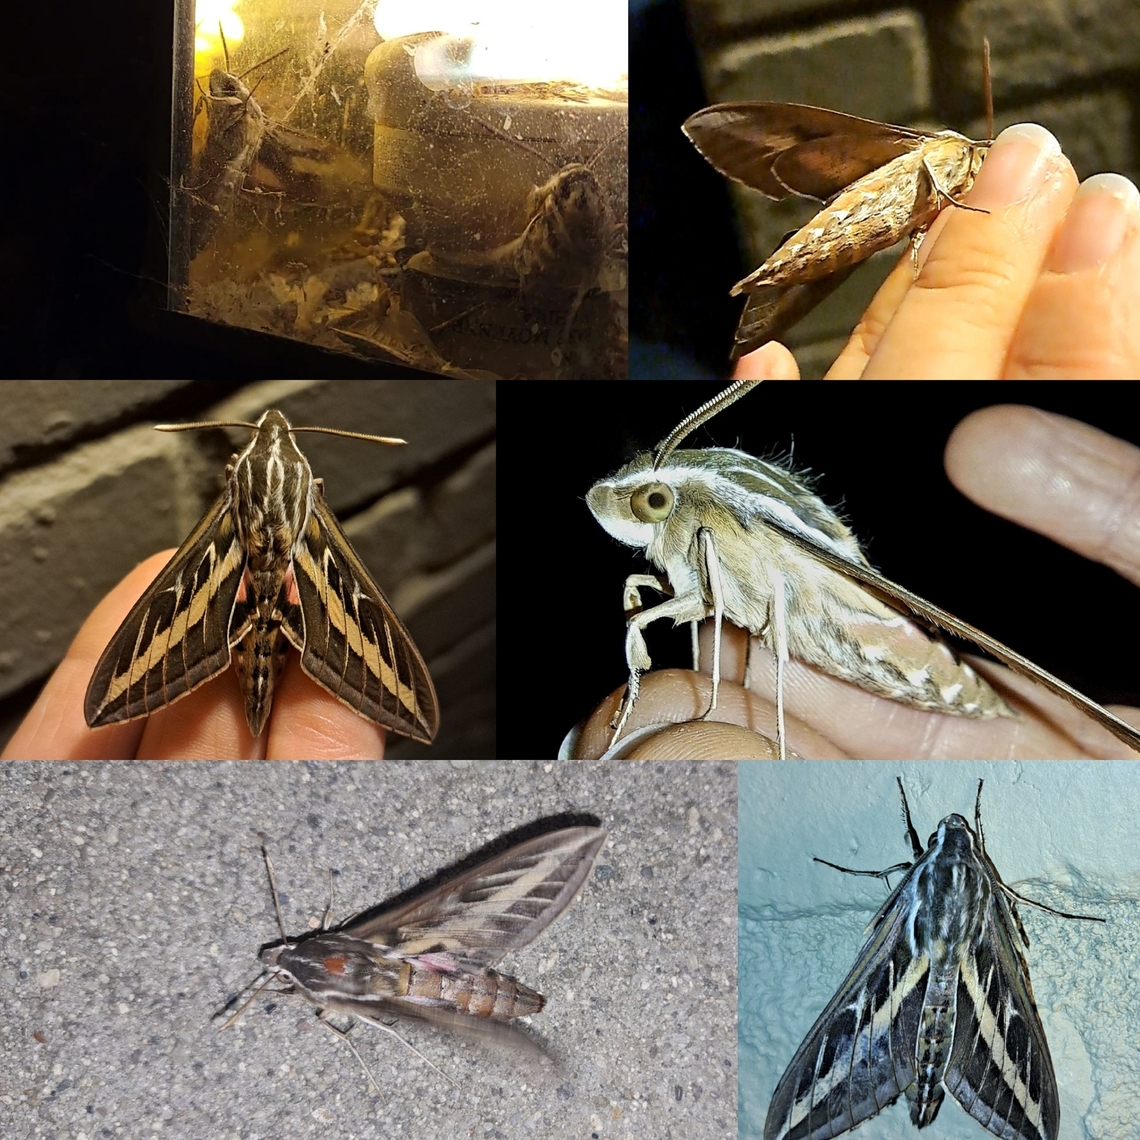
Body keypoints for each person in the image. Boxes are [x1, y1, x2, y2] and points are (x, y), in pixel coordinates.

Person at [568, 402, 1140, 759]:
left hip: (898, 652)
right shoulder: (697, 542)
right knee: (639, 600)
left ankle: (717, 701)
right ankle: (702, 698)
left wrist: (716, 694)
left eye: (654, 503)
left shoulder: (726, 533)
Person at [733, 124, 1140, 381]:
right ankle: (772, 278)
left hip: (861, 238)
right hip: (854, 216)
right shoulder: (946, 150)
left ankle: (771, 290)